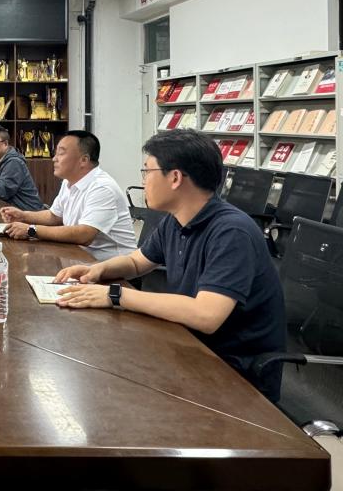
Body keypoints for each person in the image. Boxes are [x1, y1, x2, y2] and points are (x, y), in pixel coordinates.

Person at [54, 129, 286, 402]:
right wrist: (100, 270)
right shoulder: (176, 220)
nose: (143, 180)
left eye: (147, 171)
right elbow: (137, 262)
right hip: (188, 346)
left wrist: (115, 295)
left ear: (175, 178)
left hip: (233, 374)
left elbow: (206, 316)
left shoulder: (231, 232)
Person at [0, 130, 136, 259]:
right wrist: (23, 216)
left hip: (111, 267)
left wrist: (31, 230)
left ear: (84, 160)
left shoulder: (102, 188)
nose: (54, 159)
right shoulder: (68, 181)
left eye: (61, 153)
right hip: (78, 257)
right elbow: (55, 216)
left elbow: (84, 235)